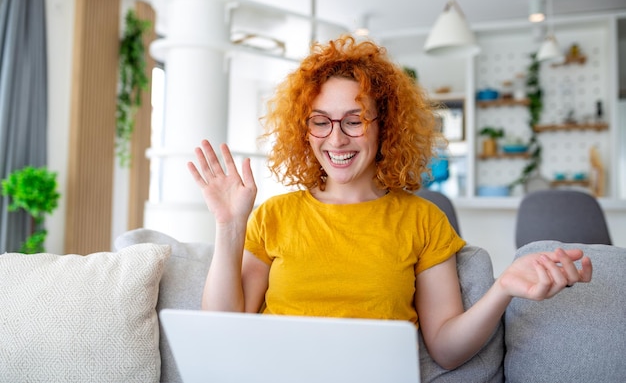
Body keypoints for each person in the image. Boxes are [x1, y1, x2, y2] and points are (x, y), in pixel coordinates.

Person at [187, 35, 592, 370]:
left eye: (354, 119)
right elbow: (223, 331)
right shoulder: (274, 215)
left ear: (386, 125)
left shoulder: (422, 219)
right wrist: (229, 224)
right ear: (304, 129)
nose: (336, 138)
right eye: (320, 120)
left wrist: (503, 288)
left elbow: (447, 350)